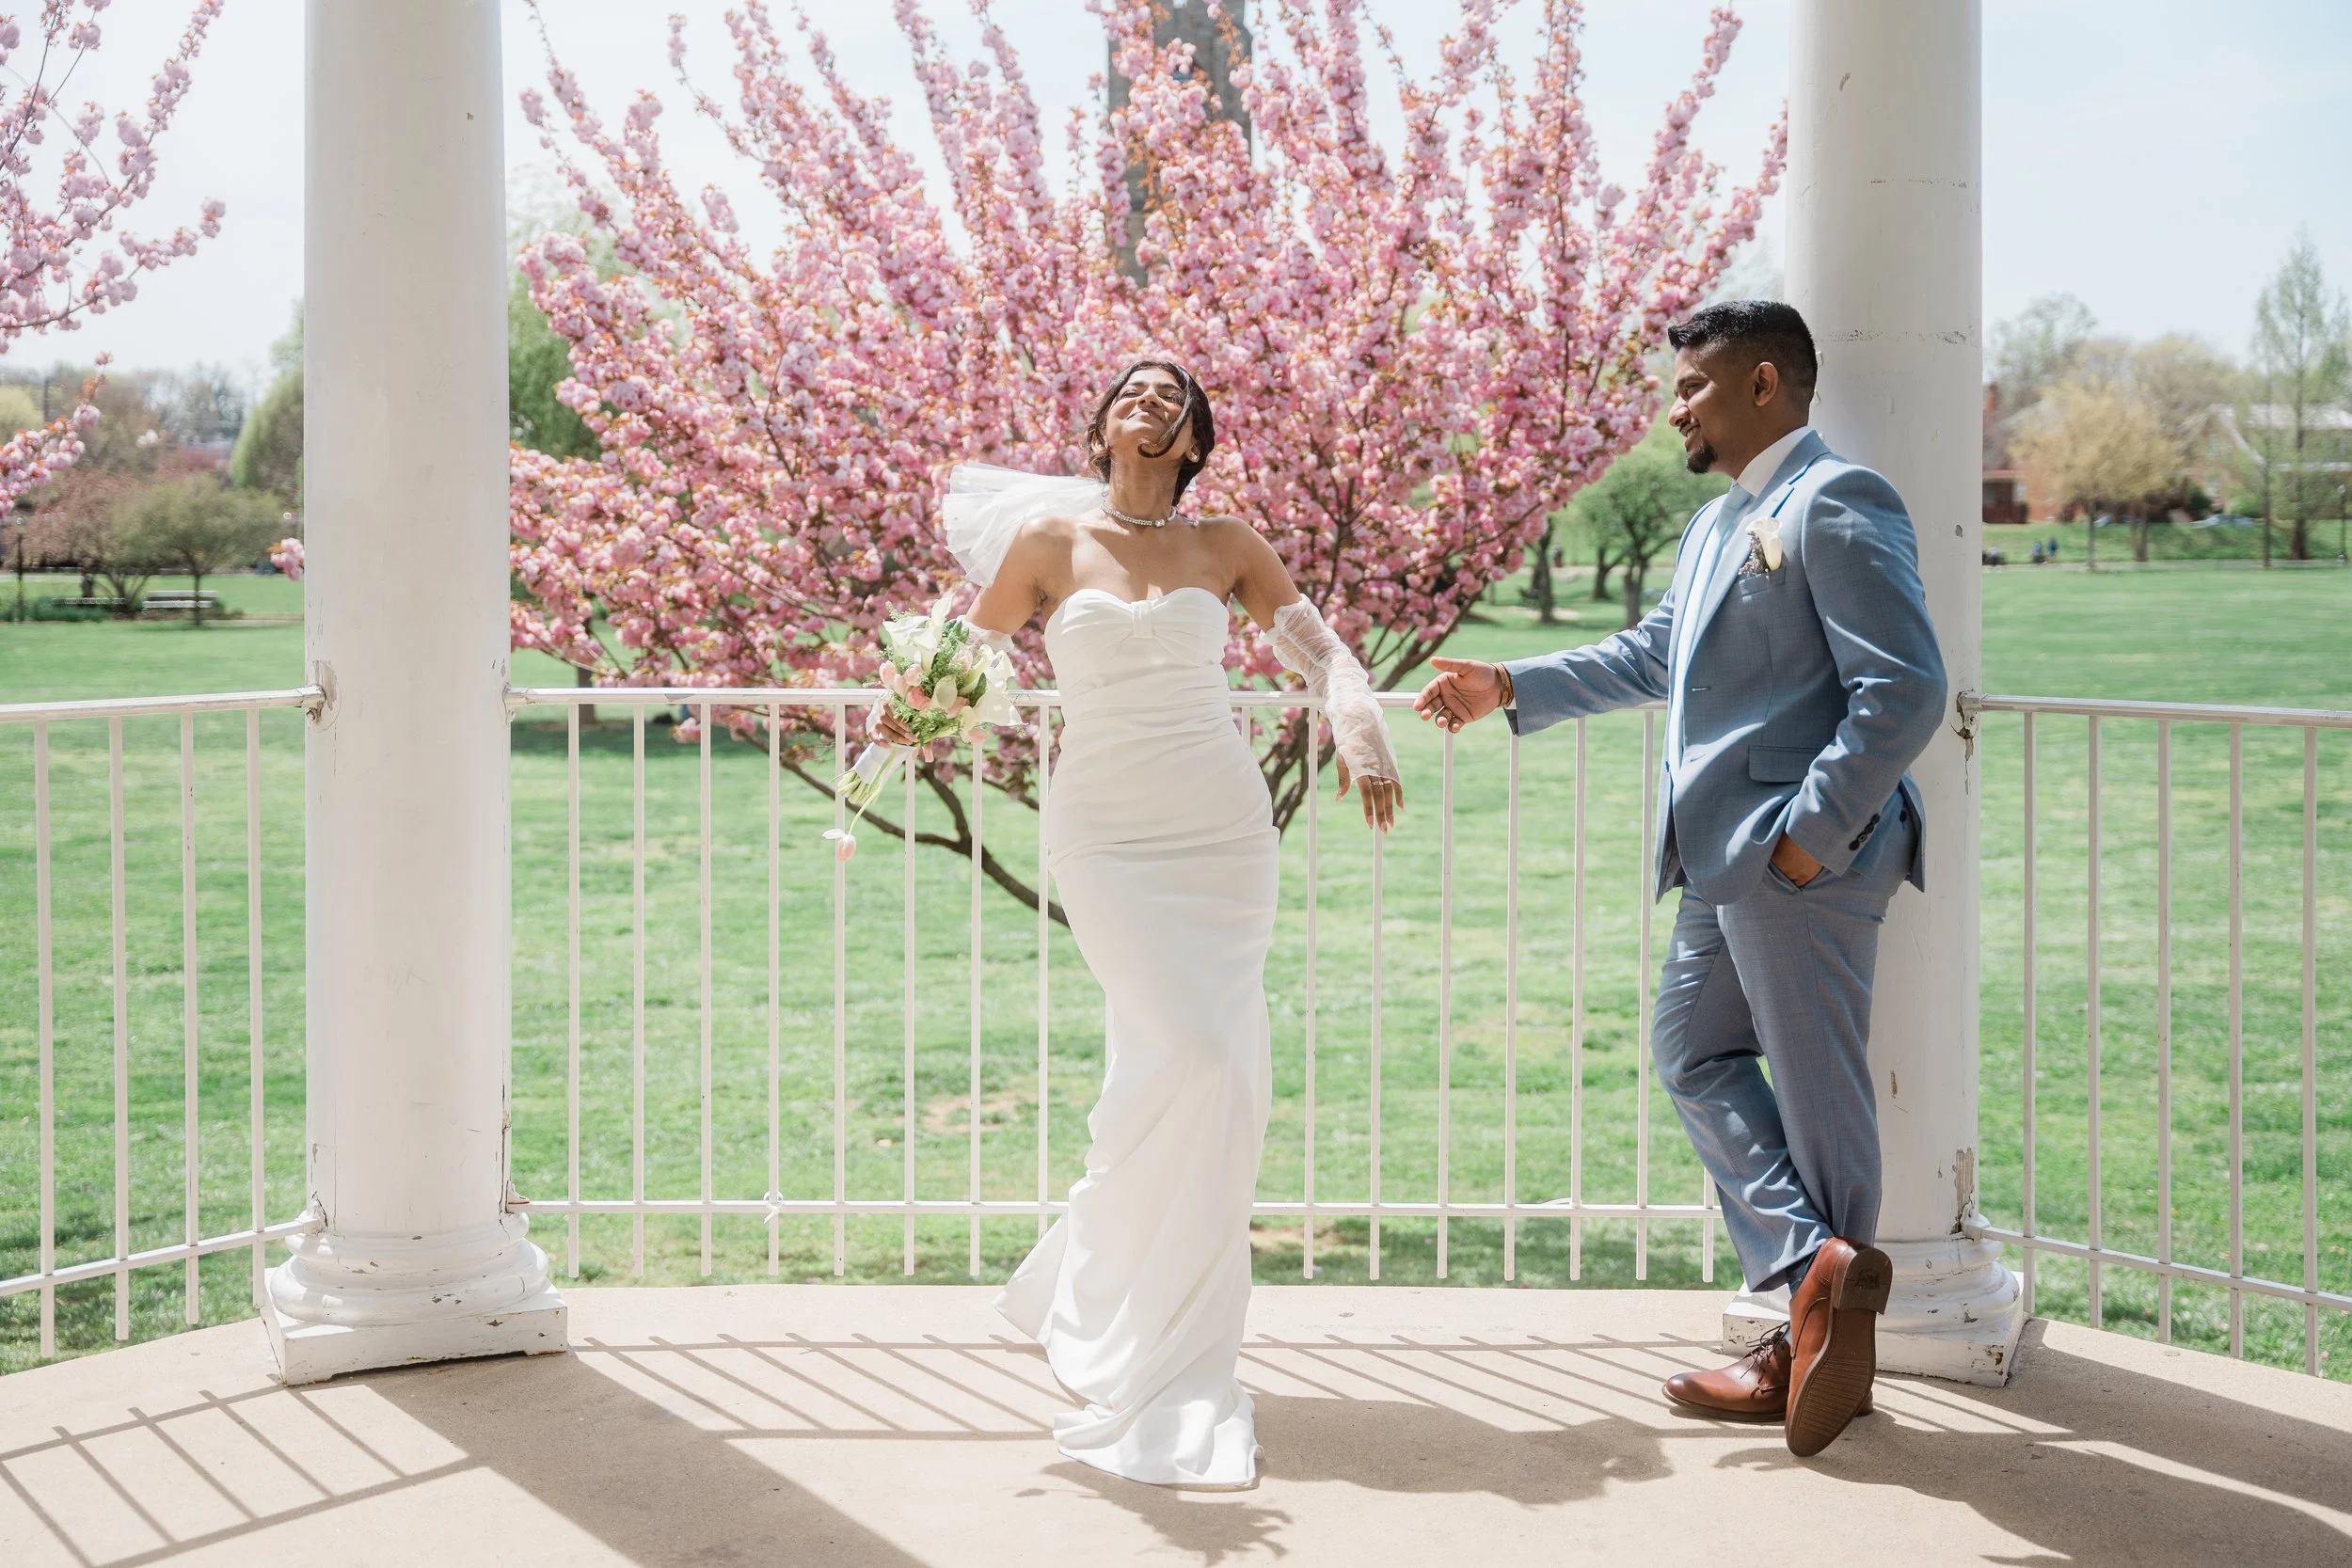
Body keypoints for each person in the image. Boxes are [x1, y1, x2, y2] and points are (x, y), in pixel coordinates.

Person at [1412, 301, 1947, 1458]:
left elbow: (1903, 689)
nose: (1676, 407)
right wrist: (1510, 683)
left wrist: (1809, 835)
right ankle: (1816, 1279)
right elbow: (1653, 653)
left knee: (1812, 1087)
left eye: (1694, 386)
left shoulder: (1839, 501)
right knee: (1691, 1049)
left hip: (1798, 854)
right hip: (1720, 857)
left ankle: (1806, 1339)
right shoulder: (1718, 524)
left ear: (1764, 384)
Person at [870, 360, 1402, 1489]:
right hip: (1105, 834)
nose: (1149, 398)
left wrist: (1355, 721)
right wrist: (902, 711)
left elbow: (1322, 650)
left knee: (1197, 1067)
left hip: (1221, 832)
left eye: (1173, 392)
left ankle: (1124, 1291)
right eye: (1133, 388)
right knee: (1194, 1051)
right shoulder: (1049, 547)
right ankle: (1110, 1293)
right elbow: (965, 663)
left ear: (1196, 432)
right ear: (1106, 422)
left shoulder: (1227, 544)